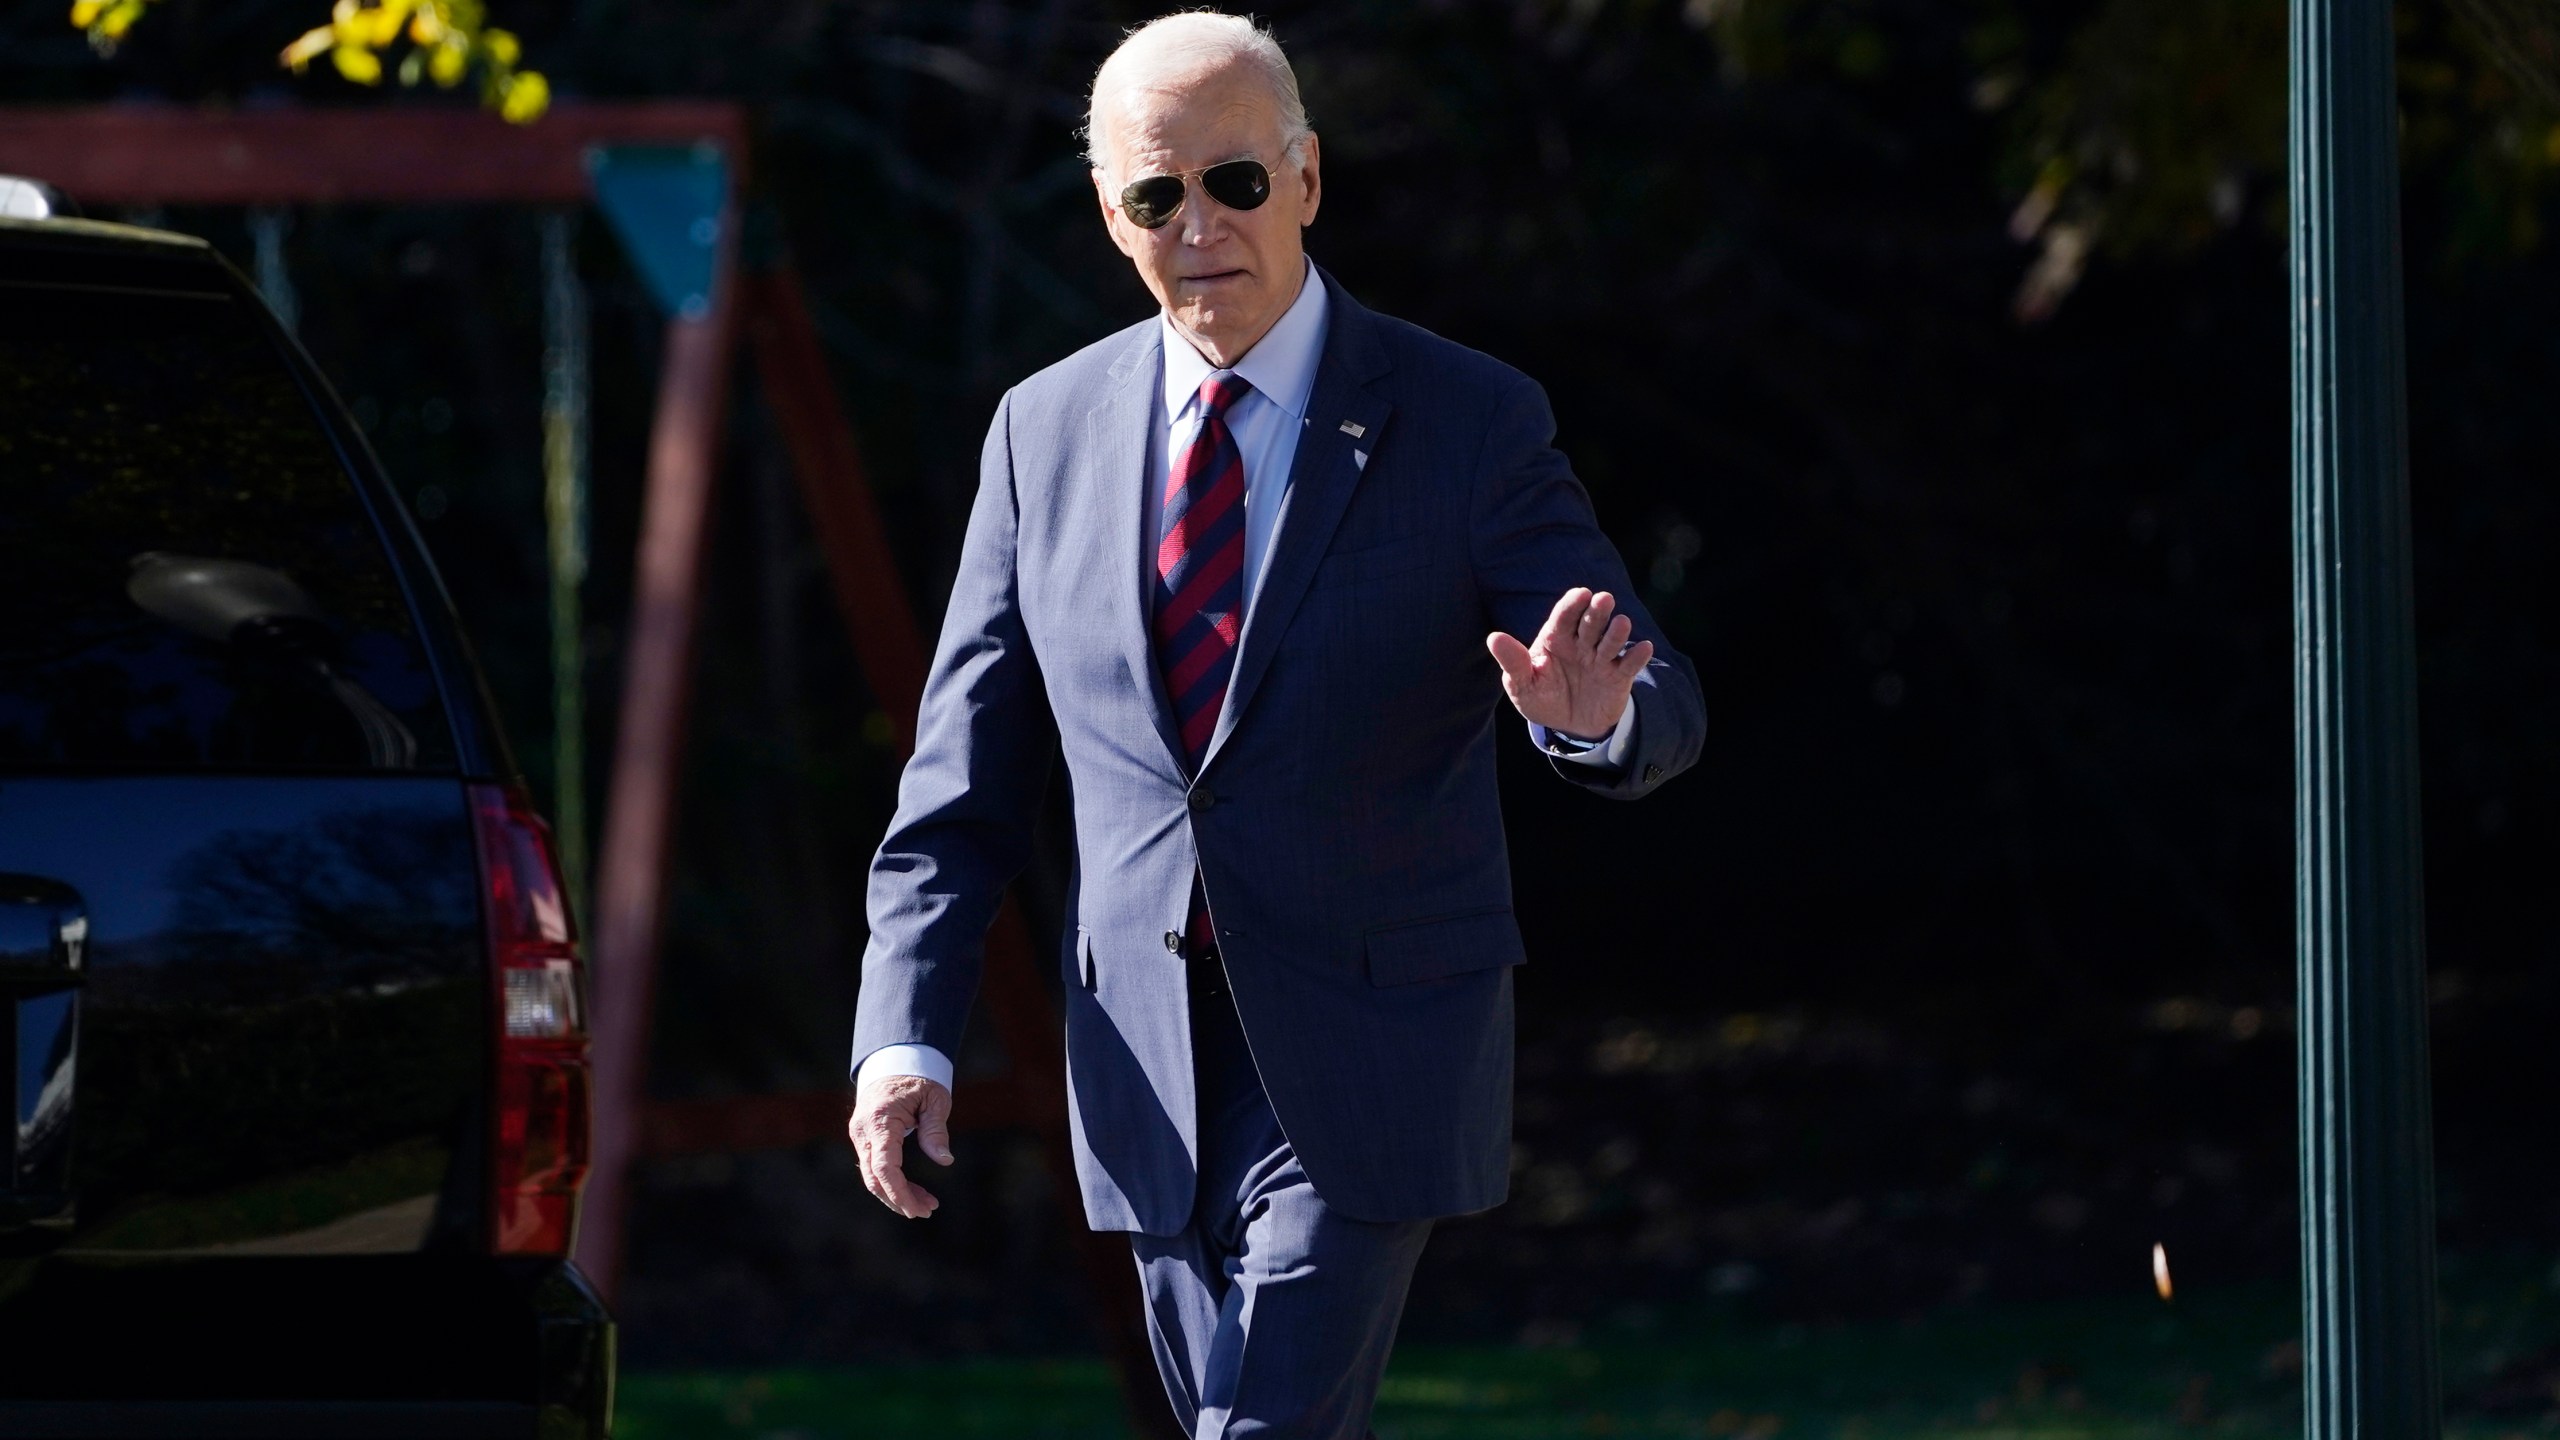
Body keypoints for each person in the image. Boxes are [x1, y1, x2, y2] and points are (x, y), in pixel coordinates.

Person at [845, 12, 1706, 1437]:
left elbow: (1650, 691)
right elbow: (959, 787)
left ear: (1306, 179)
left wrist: (1595, 718)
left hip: (1368, 1047)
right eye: (1155, 195)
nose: (1200, 226)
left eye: (1235, 183)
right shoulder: (1040, 435)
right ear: (1112, 217)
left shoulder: (1464, 418)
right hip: (1145, 1066)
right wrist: (904, 1038)